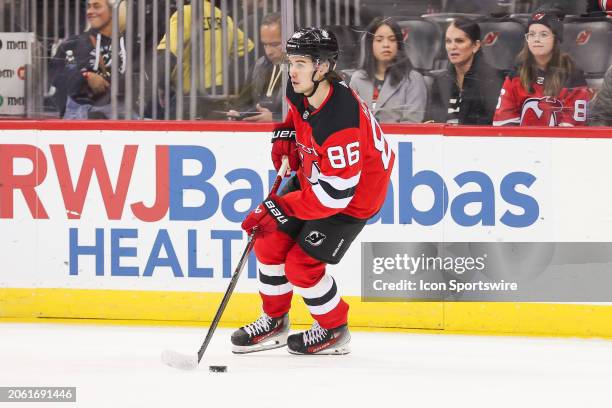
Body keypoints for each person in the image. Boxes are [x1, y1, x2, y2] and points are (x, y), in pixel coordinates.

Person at [230, 27, 395, 355]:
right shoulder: (302, 88)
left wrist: (278, 207)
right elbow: (298, 115)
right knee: (269, 241)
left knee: (301, 266)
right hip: (315, 174)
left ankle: (335, 329)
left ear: (323, 68)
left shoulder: (341, 124)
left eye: (302, 63)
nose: (292, 70)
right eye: (292, 61)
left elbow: (334, 196)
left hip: (353, 196)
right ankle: (275, 321)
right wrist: (287, 135)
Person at [493, 10, 591, 126]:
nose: (536, 39)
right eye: (532, 34)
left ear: (556, 39)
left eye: (544, 34)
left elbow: (572, 131)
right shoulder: (516, 73)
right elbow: (503, 122)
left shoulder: (572, 76)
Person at [156, 0, 254, 116]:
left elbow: (168, 54)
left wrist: (162, 87)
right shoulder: (221, 16)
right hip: (219, 94)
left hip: (191, 97)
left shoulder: (185, 14)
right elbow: (248, 50)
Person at [49, 0, 128, 119]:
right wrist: (86, 76)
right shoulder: (73, 44)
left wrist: (105, 82)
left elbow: (140, 80)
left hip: (121, 117)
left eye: (96, 7)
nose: (90, 11)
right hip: (82, 118)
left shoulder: (130, 45)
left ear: (113, 11)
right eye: (89, 7)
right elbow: (56, 77)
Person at [349, 17, 427, 123]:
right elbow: (350, 120)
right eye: (379, 40)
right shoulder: (358, 79)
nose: (386, 45)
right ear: (370, 44)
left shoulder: (413, 79)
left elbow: (412, 123)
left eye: (392, 39)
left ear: (398, 44)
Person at [427, 18, 505, 125]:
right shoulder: (440, 81)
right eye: (448, 41)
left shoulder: (493, 80)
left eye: (459, 41)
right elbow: (432, 120)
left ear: (475, 46)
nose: (452, 47)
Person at [227, 12, 283, 122]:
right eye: (265, 44)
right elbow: (243, 103)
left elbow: (312, 116)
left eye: (275, 44)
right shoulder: (259, 65)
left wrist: (277, 119)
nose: (268, 52)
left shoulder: (306, 70)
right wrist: (239, 113)